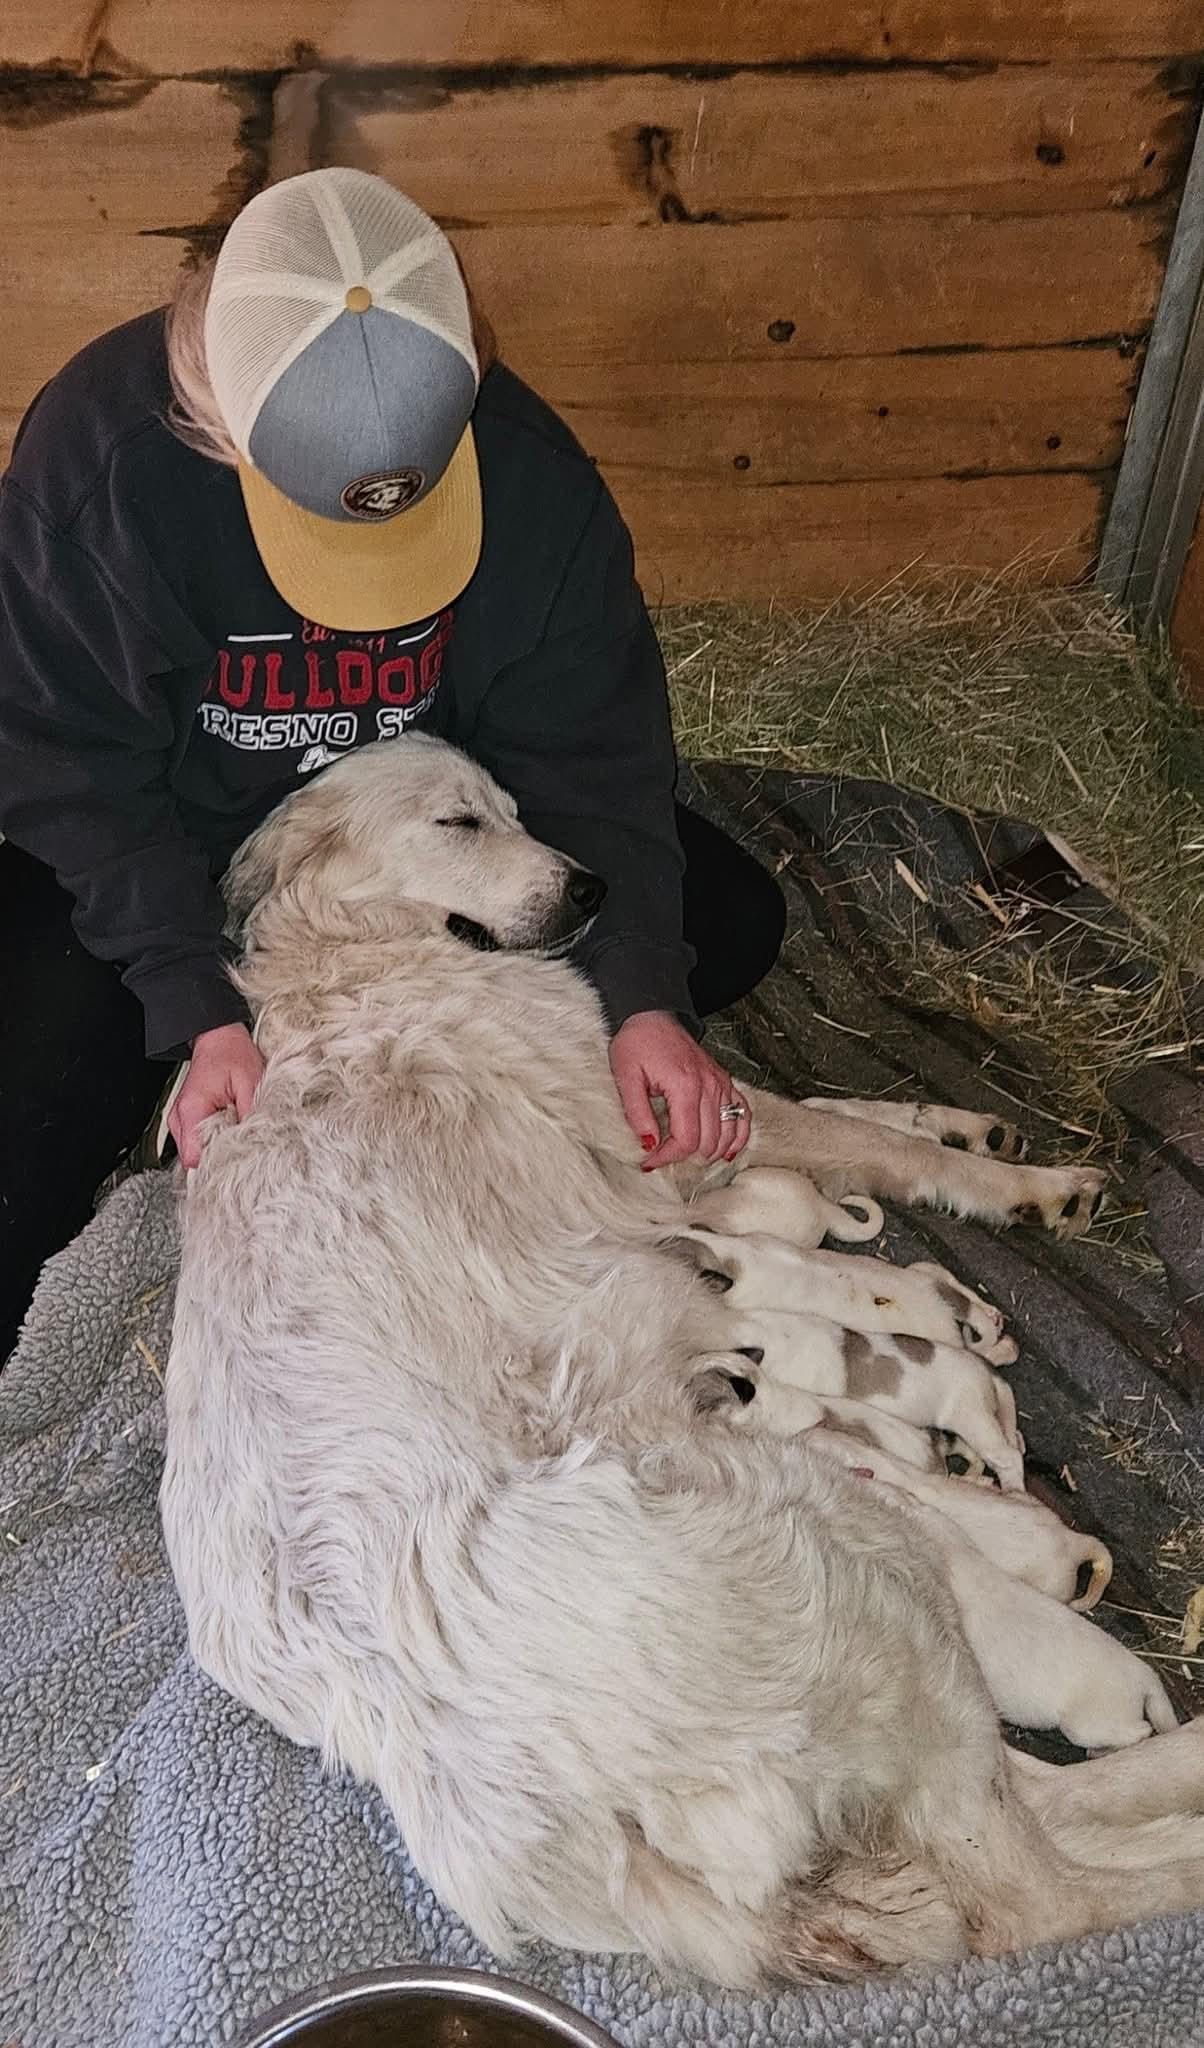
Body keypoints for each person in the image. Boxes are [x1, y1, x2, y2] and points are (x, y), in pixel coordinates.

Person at [0, 167, 786, 1357]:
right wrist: (193, 1001)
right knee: (31, 1118)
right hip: (173, 839)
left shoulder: (534, 476)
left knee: (724, 924)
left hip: (400, 850)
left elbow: (589, 746)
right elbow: (70, 765)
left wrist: (642, 992)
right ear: (214, 419)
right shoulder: (99, 468)